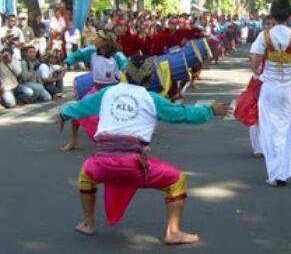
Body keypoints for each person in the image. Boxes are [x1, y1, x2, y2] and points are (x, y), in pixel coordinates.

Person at [55, 56, 230, 244]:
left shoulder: (106, 93)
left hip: (101, 162)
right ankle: (173, 232)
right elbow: (182, 114)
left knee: (85, 175)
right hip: (134, 165)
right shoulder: (153, 99)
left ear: (124, 74)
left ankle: (88, 223)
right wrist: (210, 111)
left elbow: (80, 107)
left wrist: (63, 114)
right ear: (150, 79)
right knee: (178, 180)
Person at [249, 0, 291, 186]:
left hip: (269, 88)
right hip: (286, 90)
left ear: (272, 16)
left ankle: (275, 173)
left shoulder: (264, 36)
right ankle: (284, 170)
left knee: (268, 129)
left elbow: (255, 64)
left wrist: (258, 69)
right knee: (285, 128)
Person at [61, 30, 128, 151]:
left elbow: (125, 64)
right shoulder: (92, 51)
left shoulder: (117, 55)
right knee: (77, 111)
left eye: (98, 37)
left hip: (113, 92)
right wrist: (67, 63)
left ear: (105, 42)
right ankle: (73, 141)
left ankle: (119, 142)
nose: (95, 39)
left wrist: (123, 71)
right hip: (96, 89)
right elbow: (76, 55)